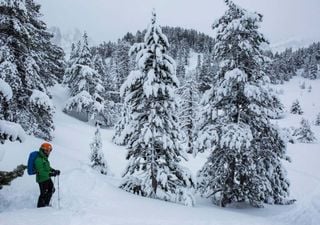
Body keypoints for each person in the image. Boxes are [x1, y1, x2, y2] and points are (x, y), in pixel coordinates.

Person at [34, 142, 60, 208]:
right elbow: (41, 171)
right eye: (47, 150)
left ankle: (46, 204)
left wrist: (53, 170)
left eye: (49, 151)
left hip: (47, 178)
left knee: (52, 190)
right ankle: (40, 207)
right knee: (43, 194)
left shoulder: (44, 158)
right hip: (42, 179)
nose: (49, 152)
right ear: (43, 150)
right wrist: (51, 174)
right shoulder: (38, 160)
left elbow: (47, 167)